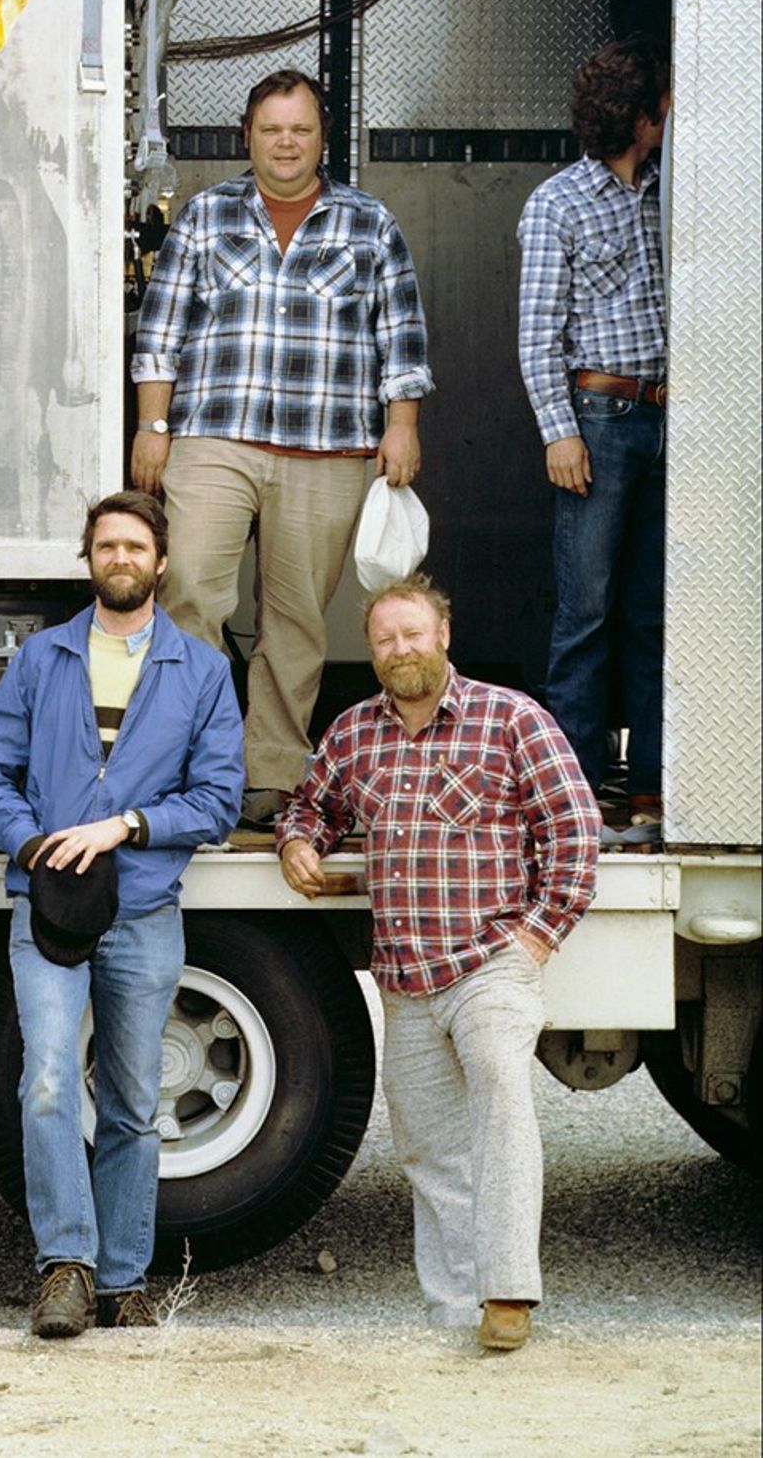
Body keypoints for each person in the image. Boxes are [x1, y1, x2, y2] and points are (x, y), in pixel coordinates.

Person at [275, 574, 599, 1352]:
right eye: (384, 639)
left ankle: (509, 1290)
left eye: (411, 633)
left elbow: (575, 830)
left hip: (491, 960)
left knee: (499, 1103)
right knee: (427, 1147)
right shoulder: (354, 733)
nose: (398, 650)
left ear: (442, 635)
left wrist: (535, 937)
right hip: (405, 976)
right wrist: (297, 841)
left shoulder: (510, 718)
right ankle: (456, 1308)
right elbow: (311, 803)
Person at [0, 490, 244, 1338]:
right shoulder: (40, 659)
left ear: (160, 563)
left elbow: (219, 799)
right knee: (47, 1081)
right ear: (87, 559)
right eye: (106, 546)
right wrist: (33, 845)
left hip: (145, 909)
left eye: (135, 547)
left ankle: (124, 1278)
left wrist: (126, 824)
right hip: (48, 908)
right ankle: (65, 1269)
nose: (120, 559)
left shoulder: (200, 670)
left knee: (132, 1097)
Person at [131, 67, 432, 822]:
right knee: (190, 590)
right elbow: (159, 333)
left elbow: (399, 338)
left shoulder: (368, 222)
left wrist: (401, 425)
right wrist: (151, 426)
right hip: (213, 438)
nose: (286, 143)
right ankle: (192, 762)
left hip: (326, 446)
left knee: (296, 619)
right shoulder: (204, 216)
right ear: (248, 136)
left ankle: (268, 773)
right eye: (271, 130)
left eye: (300, 129)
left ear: (321, 135)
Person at [518, 34, 670, 830]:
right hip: (598, 420)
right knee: (586, 612)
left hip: (665, 416)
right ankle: (574, 797)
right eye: (660, 105)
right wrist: (558, 432)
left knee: (651, 612)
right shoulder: (556, 203)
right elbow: (536, 331)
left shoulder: (666, 193)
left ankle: (646, 786)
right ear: (638, 116)